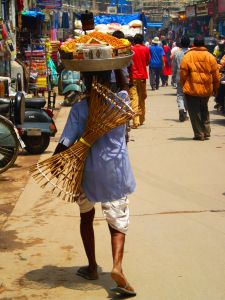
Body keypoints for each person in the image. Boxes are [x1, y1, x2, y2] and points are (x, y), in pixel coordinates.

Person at [53, 69, 136, 296]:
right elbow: (125, 84)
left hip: (87, 170)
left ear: (85, 82)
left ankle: (91, 267)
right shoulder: (120, 101)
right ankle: (117, 266)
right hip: (115, 170)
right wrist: (118, 65)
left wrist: (55, 162)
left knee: (86, 216)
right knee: (117, 222)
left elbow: (66, 142)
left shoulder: (80, 108)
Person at [180, 35, 220, 140]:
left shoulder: (188, 56)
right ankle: (206, 131)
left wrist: (184, 84)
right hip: (206, 90)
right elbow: (216, 75)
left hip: (192, 89)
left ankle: (199, 134)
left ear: (193, 45)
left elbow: (183, 74)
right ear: (204, 44)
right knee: (204, 109)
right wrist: (216, 88)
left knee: (194, 112)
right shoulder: (210, 56)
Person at [130, 33, 150, 127]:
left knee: (134, 98)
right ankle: (141, 119)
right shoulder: (145, 49)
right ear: (142, 41)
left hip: (133, 76)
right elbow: (147, 62)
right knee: (142, 98)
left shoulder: (131, 49)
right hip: (142, 77)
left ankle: (136, 121)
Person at [172, 35, 190, 122]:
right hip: (189, 78)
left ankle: (181, 109)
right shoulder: (191, 53)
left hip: (179, 77)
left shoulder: (177, 54)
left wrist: (173, 78)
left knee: (180, 94)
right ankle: (184, 111)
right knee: (187, 95)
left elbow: (174, 68)